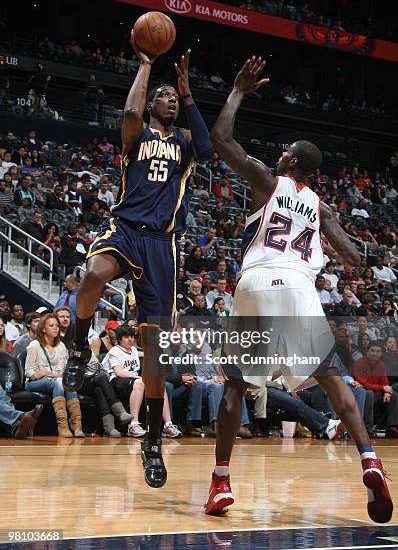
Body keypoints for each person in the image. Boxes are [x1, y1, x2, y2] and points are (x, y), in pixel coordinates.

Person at [203, 56, 393, 523]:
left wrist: (238, 92)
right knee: (333, 382)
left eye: (285, 151)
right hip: (300, 287)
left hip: (257, 280)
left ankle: (221, 483)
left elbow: (221, 140)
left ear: (289, 161)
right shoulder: (322, 208)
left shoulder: (269, 182)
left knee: (234, 386)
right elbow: (353, 258)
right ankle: (370, 459)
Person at [62, 37, 213, 488]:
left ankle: (151, 442)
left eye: (172, 98)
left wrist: (187, 94)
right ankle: (77, 346)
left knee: (154, 357)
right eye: (162, 97)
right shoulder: (137, 136)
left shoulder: (184, 141)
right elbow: (130, 114)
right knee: (92, 275)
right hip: (125, 230)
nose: (167, 101)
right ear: (151, 105)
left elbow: (207, 148)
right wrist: (146, 66)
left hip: (163, 246)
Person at [25, 313, 85, 438]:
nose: (55, 328)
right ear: (43, 329)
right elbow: (28, 372)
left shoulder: (61, 346)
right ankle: (62, 425)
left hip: (56, 381)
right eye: (51, 325)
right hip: (35, 382)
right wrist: (43, 373)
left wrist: (57, 375)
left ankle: (76, 425)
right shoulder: (34, 346)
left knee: (67, 384)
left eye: (57, 326)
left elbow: (63, 369)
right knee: (58, 382)